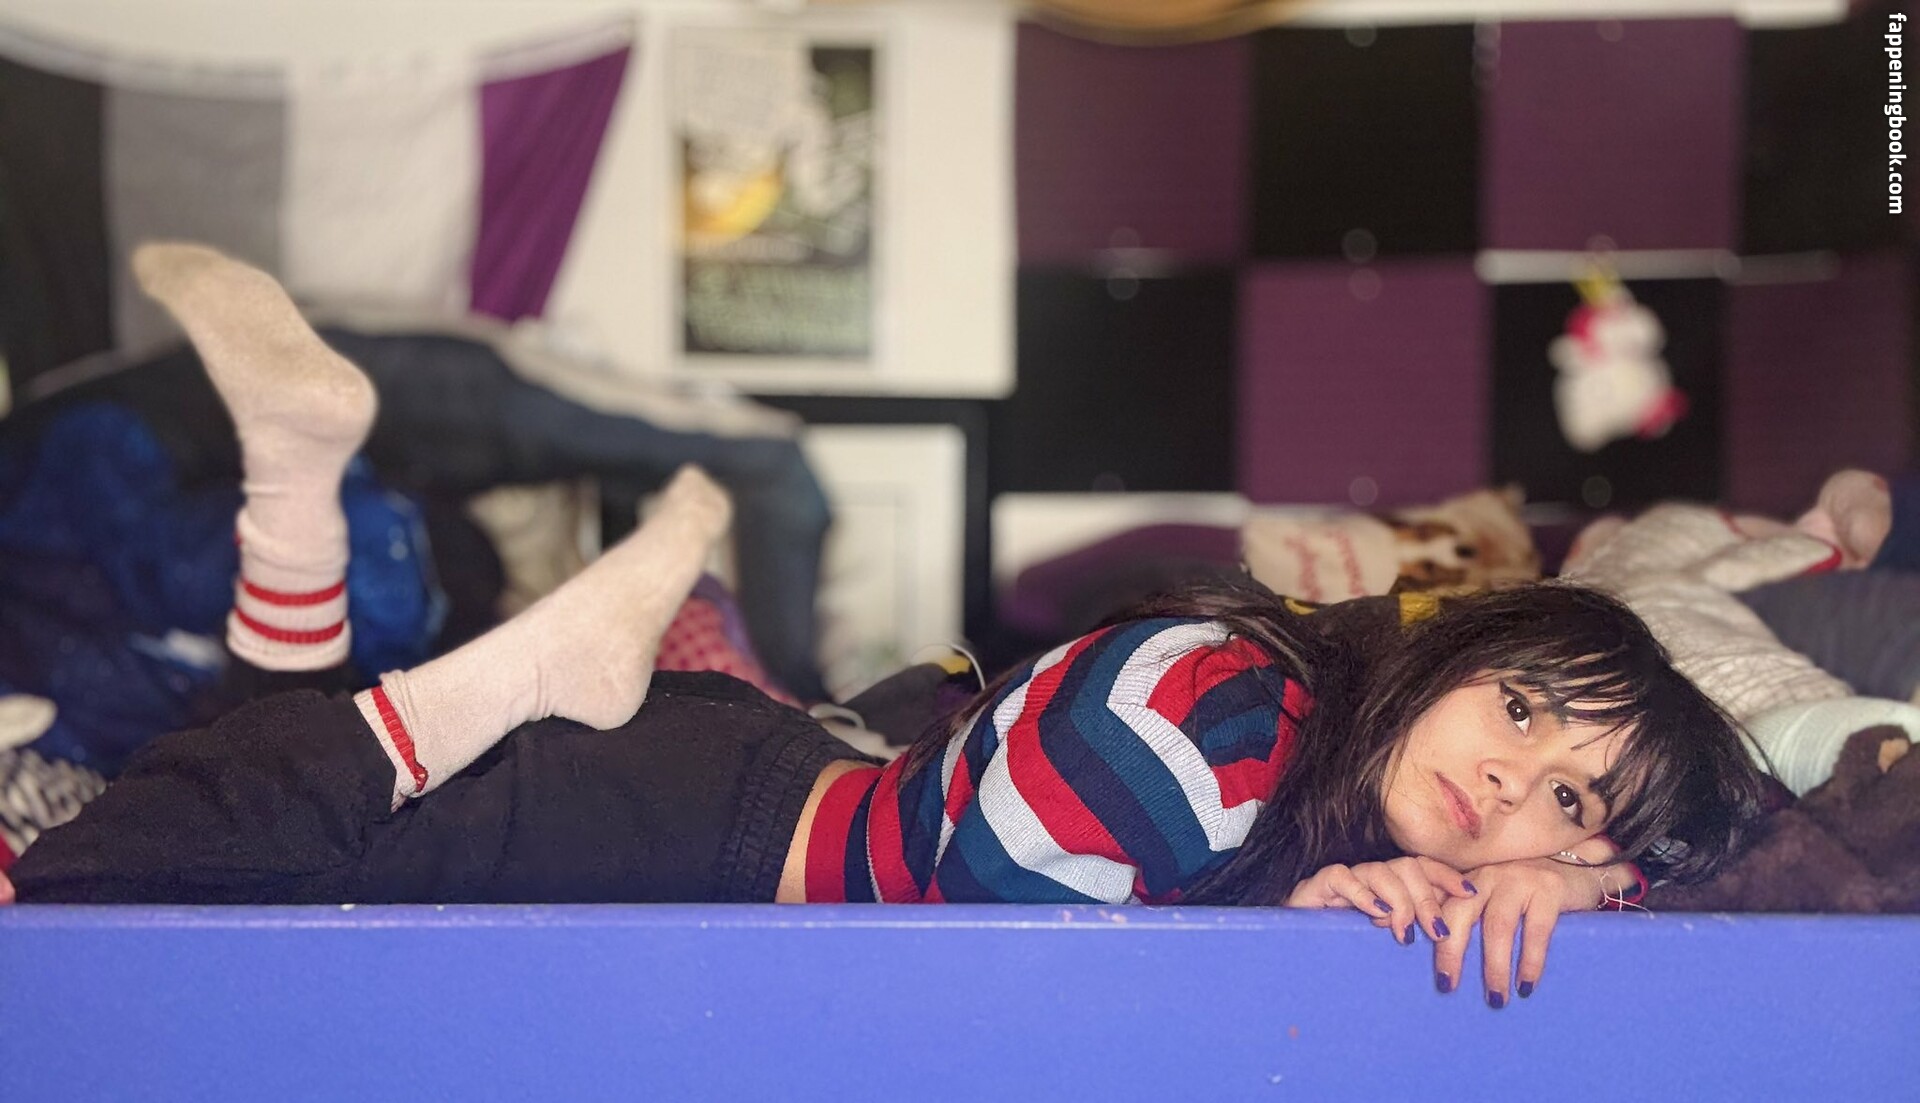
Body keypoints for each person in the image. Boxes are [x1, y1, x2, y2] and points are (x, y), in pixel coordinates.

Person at [3, 245, 1769, 1012]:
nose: (1517, 786)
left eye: (1572, 802)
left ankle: (297, 488)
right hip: (696, 824)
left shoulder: (1325, 804)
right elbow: (994, 929)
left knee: (248, 794)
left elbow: (1764, 854)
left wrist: (1583, 893)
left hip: (737, 801)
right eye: (1524, 712)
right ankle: (493, 657)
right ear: (1452, 655)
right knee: (143, 887)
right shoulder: (1227, 716)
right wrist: (1287, 925)